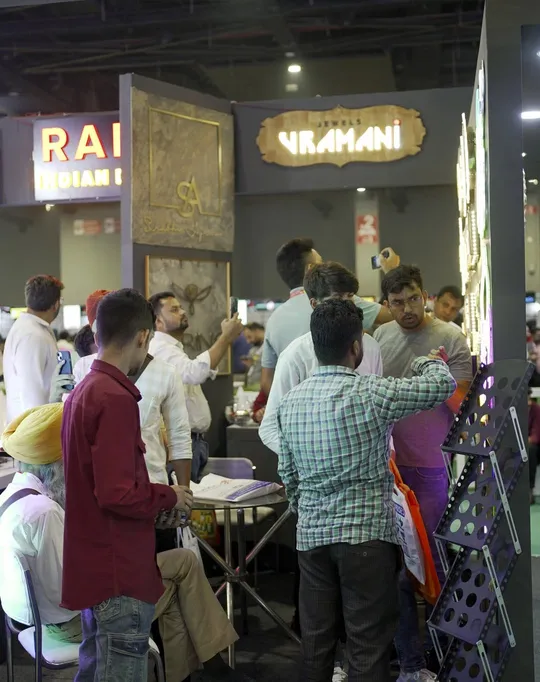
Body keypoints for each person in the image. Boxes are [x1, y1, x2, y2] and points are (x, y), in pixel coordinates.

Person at [276, 299, 456, 682]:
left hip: (312, 540)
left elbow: (289, 476)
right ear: (356, 346)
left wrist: (308, 515)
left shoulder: (289, 404)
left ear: (316, 344)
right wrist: (428, 362)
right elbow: (443, 385)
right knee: (368, 648)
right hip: (366, 539)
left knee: (316, 647)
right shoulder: (372, 393)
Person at [0, 402, 245, 682]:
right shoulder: (45, 513)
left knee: (181, 564)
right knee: (180, 577)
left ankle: (203, 669)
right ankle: (207, 667)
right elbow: (73, 592)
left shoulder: (14, 497)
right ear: (57, 464)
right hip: (71, 624)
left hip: (34, 618)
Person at [61, 288, 194, 682]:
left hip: (96, 562)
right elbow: (118, 493)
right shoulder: (115, 398)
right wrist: (170, 495)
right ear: (143, 336)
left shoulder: (84, 390)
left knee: (96, 666)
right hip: (118, 566)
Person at [374, 265, 472, 682]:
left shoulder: (450, 336)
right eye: (397, 302)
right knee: (394, 570)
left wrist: (439, 376)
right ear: (387, 304)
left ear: (425, 295)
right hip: (388, 469)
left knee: (434, 564)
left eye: (413, 298)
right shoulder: (380, 337)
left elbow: (464, 406)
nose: (407, 309)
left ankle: (444, 654)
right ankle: (411, 662)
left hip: (431, 467)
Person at [260, 261, 383, 456]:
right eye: (337, 298)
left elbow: (379, 411)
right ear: (314, 304)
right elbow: (270, 428)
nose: (347, 306)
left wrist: (388, 449)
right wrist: (305, 459)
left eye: (350, 297)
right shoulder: (295, 356)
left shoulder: (371, 348)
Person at [260, 239, 395, 395]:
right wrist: (391, 271)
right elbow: (395, 315)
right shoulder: (342, 301)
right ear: (311, 269)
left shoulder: (274, 321)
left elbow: (266, 382)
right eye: (321, 263)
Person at [148, 291, 243, 482]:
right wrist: (226, 337)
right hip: (181, 443)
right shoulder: (160, 348)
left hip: (192, 441)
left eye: (181, 307)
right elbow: (195, 372)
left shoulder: (171, 348)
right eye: (174, 310)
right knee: (185, 496)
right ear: (158, 321)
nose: (183, 312)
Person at [3, 275, 64, 422]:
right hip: (34, 427)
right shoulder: (32, 335)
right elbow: (32, 396)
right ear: (56, 304)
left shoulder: (31, 329)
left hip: (34, 424)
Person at [243, 322, 265, 389]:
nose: (248, 341)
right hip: (253, 387)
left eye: (249, 337)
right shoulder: (253, 350)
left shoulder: (272, 347)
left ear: (257, 331)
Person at [529, 389, 540, 504]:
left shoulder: (536, 409)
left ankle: (529, 490)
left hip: (535, 446)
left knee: (530, 451)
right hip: (521, 443)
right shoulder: (515, 408)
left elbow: (536, 435)